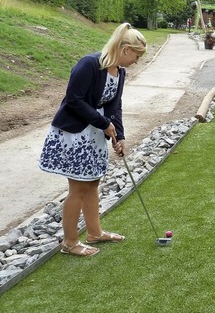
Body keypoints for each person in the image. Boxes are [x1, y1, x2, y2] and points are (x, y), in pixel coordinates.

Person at [39, 23, 147, 257]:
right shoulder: (89, 64)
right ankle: (69, 242)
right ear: (126, 49)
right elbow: (73, 101)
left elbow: (114, 106)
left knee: (92, 183)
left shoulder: (120, 71)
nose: (136, 62)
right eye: (136, 56)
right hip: (75, 134)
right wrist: (103, 124)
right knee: (78, 187)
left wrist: (120, 135)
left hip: (94, 134)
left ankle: (94, 233)